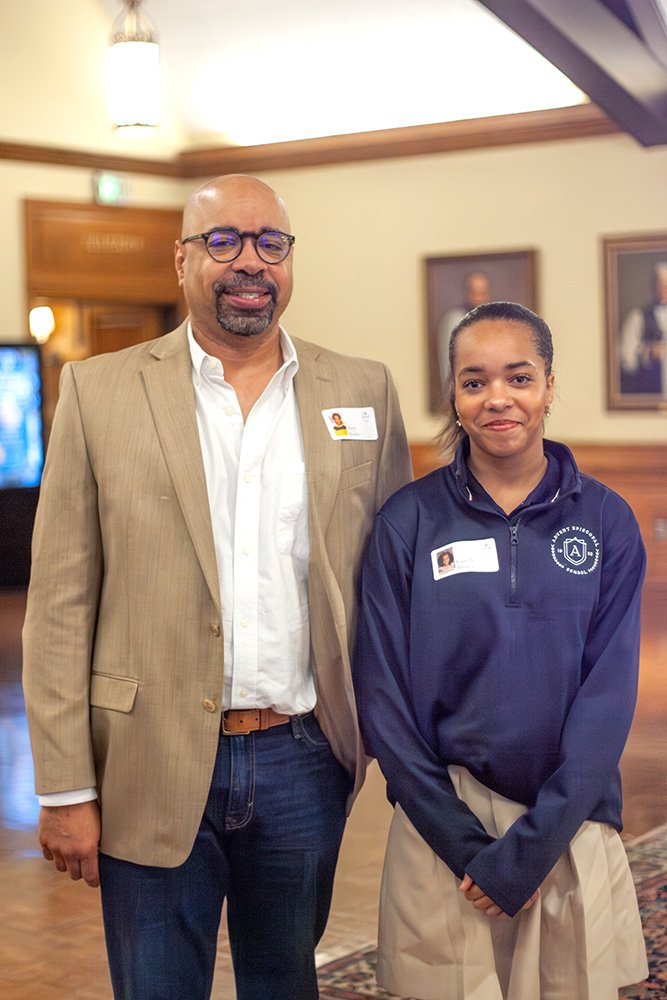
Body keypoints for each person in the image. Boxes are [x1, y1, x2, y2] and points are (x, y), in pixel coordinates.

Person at [22, 174, 412, 1000]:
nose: (249, 262)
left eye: (270, 242)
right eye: (223, 242)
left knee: (283, 981)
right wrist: (63, 788)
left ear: (290, 260)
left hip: (304, 758)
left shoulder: (363, 393)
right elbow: (58, 606)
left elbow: (388, 583)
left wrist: (389, 731)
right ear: (182, 260)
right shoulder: (98, 393)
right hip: (146, 760)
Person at [354, 301, 648, 1000]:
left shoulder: (605, 519)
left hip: (566, 823)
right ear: (452, 397)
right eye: (473, 381)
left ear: (548, 385)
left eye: (517, 378)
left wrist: (536, 845)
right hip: (443, 828)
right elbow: (381, 697)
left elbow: (607, 696)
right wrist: (463, 845)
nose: (497, 400)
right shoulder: (408, 521)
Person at [437, 270, 491, 387]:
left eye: (482, 292)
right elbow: (449, 360)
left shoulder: (494, 321)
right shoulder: (455, 319)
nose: (479, 297)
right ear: (468, 293)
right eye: (475, 292)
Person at [620, 261, 667, 394]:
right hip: (649, 393)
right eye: (661, 284)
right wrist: (648, 352)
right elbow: (626, 358)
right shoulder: (638, 316)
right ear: (653, 287)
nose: (664, 289)